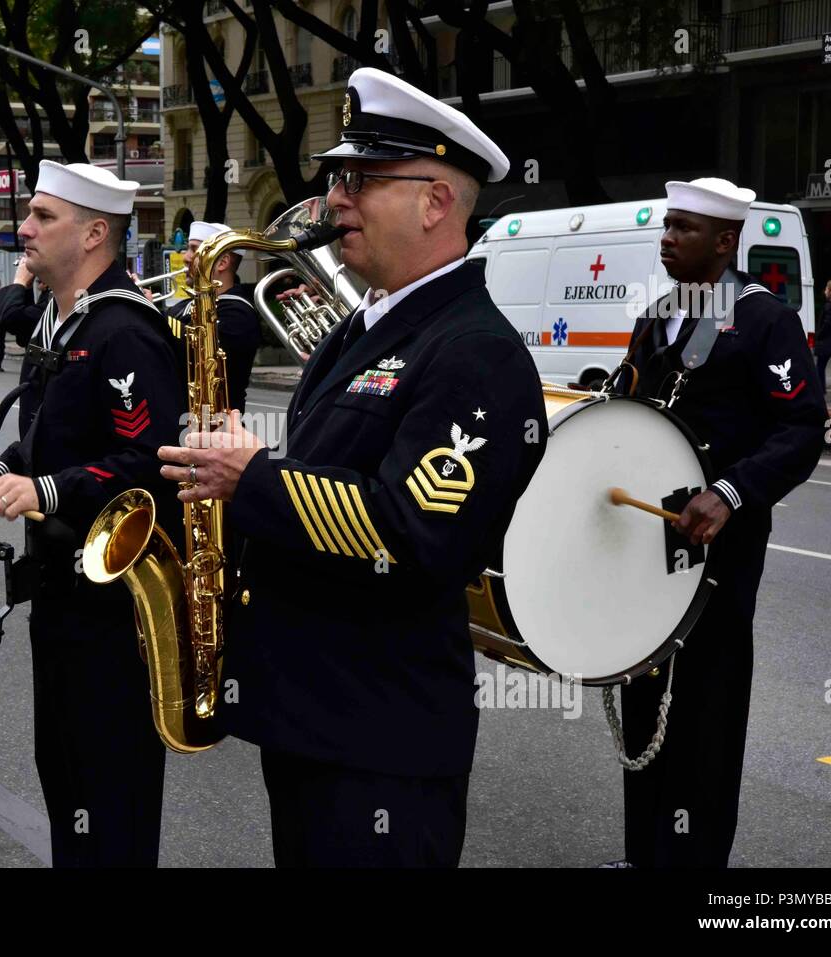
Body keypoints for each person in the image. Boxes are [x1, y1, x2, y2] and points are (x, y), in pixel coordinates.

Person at [157, 68, 547, 867]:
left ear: (435, 201)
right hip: (315, 718)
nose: (334, 199)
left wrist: (253, 475)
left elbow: (411, 533)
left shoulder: (474, 351)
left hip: (381, 742)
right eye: (339, 177)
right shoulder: (366, 326)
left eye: (361, 180)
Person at [0, 161, 183, 867]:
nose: (24, 227)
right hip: (60, 590)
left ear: (94, 233)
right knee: (66, 773)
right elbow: (50, 429)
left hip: (113, 606)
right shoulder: (62, 319)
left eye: (44, 217)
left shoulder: (126, 331)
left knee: (109, 787)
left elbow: (151, 459)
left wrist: (46, 489)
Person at [613, 177, 825, 868]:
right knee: (646, 697)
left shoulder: (764, 319)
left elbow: (800, 429)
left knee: (706, 706)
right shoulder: (656, 316)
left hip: (721, 550)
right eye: (666, 225)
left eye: (683, 227)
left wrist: (731, 492)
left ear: (725, 240)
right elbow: (628, 406)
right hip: (650, 544)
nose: (667, 237)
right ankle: (645, 853)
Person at [163, 220, 260, 413]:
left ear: (222, 262)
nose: (186, 257)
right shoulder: (184, 305)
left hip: (216, 428)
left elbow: (198, 345)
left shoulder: (238, 313)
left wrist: (149, 313)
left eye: (194, 250)